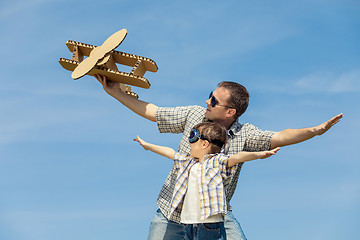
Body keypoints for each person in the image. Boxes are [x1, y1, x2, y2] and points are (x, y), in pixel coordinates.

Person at [95, 74, 342, 240]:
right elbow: (153, 112)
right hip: (171, 212)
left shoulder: (245, 134)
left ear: (230, 111)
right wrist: (115, 92)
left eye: (213, 100)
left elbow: (280, 136)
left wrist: (315, 131)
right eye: (209, 95)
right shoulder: (194, 115)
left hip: (214, 216)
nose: (207, 101)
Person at [134, 122, 280, 240]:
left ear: (204, 144)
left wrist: (257, 154)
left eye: (192, 137)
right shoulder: (187, 162)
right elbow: (170, 152)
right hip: (187, 224)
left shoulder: (217, 162)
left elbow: (237, 157)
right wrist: (147, 145)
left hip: (210, 225)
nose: (189, 142)